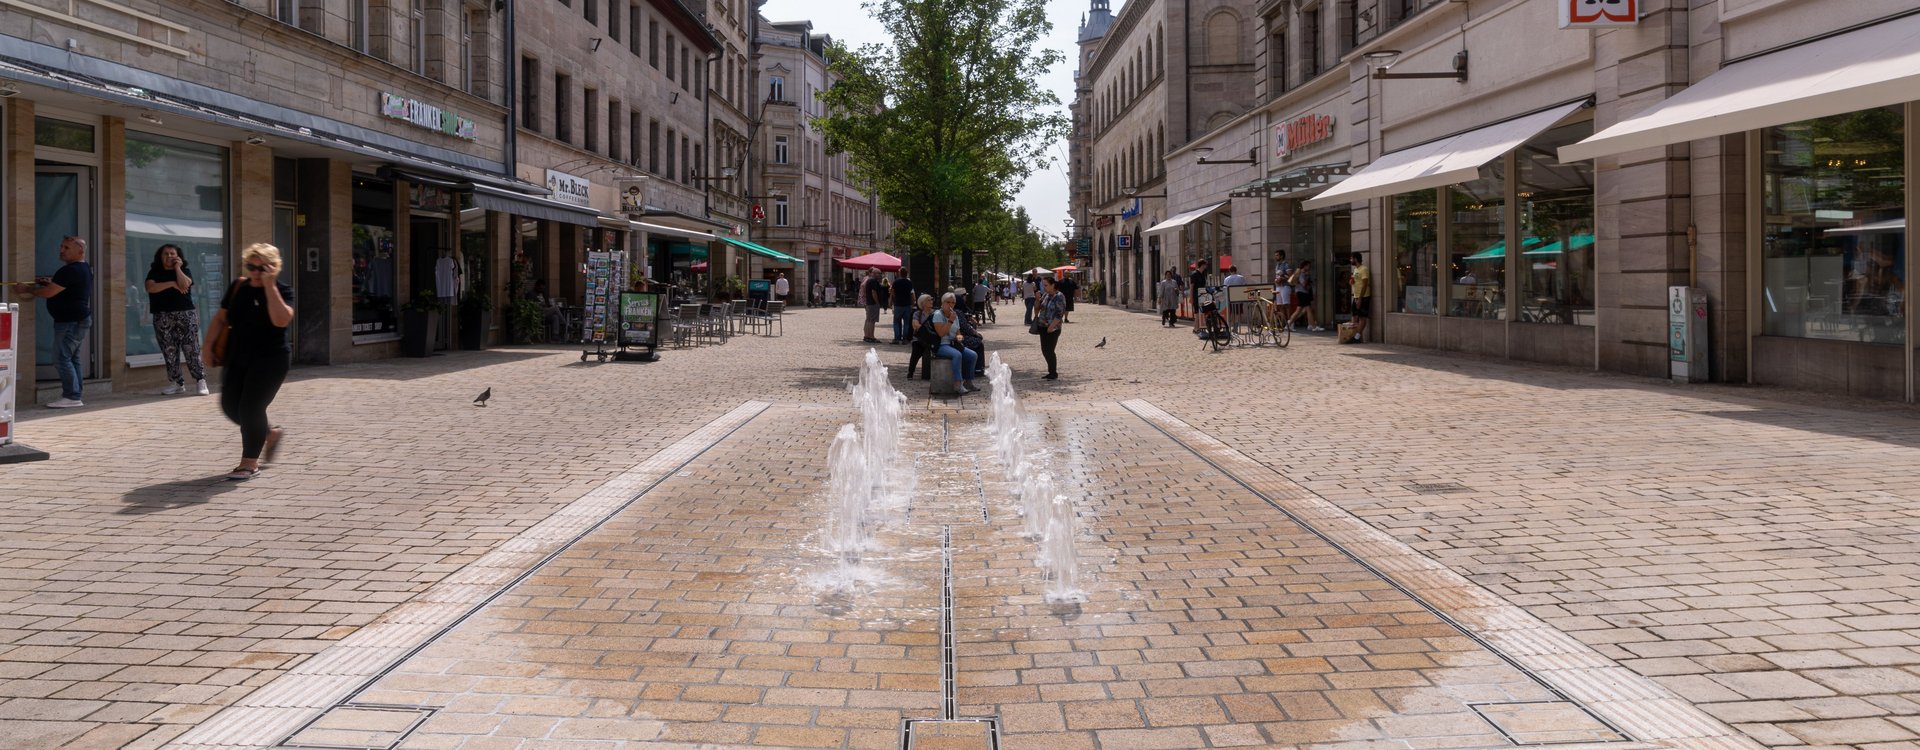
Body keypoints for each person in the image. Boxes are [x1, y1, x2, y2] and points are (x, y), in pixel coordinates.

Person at [206, 243, 295, 481]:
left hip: (270, 359)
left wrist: (269, 285)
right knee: (230, 406)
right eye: (251, 266)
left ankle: (249, 463)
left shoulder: (282, 290)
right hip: (237, 356)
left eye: (261, 267)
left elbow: (281, 320)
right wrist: (206, 348)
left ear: (274, 267)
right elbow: (220, 318)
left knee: (251, 407)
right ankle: (269, 433)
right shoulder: (238, 287)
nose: (255, 272)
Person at [15, 236, 92, 408]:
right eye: (61, 247)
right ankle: (75, 394)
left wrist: (27, 289)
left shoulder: (70, 270)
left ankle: (72, 397)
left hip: (70, 322)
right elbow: (64, 288)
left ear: (80, 251)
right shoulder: (83, 267)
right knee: (72, 358)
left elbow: (50, 293)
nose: (62, 250)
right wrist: (48, 283)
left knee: (61, 358)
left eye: (66, 248)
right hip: (78, 320)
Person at [145, 244, 210, 396]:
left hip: (185, 314)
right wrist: (172, 284)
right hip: (162, 315)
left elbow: (185, 283)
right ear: (160, 257)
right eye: (165, 254)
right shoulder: (154, 272)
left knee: (191, 348)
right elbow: (150, 287)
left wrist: (177, 269)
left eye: (172, 253)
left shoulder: (184, 271)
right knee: (169, 350)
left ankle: (200, 380)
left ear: (178, 256)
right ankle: (177, 382)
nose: (169, 256)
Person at [931, 293, 979, 392]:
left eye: (953, 303)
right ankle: (958, 383)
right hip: (941, 344)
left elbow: (958, 332)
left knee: (972, 355)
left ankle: (968, 381)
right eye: (948, 302)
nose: (950, 305)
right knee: (957, 355)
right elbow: (941, 333)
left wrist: (960, 339)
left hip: (953, 344)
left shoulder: (954, 315)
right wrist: (950, 321)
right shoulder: (938, 315)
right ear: (942, 303)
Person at [1035, 276, 1065, 380]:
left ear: (1053, 285)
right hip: (1042, 326)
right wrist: (1037, 300)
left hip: (1054, 328)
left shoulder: (1059, 296)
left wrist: (1052, 326)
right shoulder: (1045, 296)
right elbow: (1037, 310)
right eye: (1043, 285)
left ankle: (1053, 373)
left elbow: (1060, 313)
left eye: (1046, 285)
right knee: (1044, 350)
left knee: (1049, 350)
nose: (1044, 287)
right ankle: (1050, 372)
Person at [907, 294, 938, 380]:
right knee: (916, 351)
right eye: (929, 300)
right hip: (920, 338)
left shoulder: (936, 313)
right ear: (923, 303)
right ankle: (911, 372)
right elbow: (915, 325)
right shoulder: (918, 313)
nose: (931, 301)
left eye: (932, 299)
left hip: (932, 338)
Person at [1287, 260, 1323, 332]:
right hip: (1302, 293)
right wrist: (1307, 277)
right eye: (1308, 266)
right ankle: (1313, 326)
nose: (1309, 267)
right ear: (1305, 266)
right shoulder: (1302, 273)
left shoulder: (1300, 272)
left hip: (1301, 293)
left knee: (1299, 310)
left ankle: (1289, 324)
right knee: (1308, 309)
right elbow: (1303, 284)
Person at [1346, 252, 1371, 344]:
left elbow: (1365, 284)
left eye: (1351, 258)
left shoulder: (1364, 269)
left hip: (1363, 296)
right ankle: (1353, 335)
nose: (1350, 260)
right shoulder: (1356, 269)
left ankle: (1357, 336)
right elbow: (1355, 280)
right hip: (1355, 296)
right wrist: (1351, 281)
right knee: (1354, 316)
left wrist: (1360, 298)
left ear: (1356, 259)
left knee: (1362, 317)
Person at [890, 271, 916, 344]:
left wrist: (891, 301)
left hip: (898, 304)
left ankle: (897, 339)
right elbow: (912, 293)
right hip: (907, 304)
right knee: (906, 323)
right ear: (906, 274)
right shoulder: (909, 283)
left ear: (899, 273)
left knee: (896, 322)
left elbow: (892, 292)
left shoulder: (896, 282)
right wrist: (913, 303)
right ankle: (905, 339)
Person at [860, 268, 885, 343]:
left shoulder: (869, 280)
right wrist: (877, 302)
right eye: (879, 273)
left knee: (868, 320)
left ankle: (867, 336)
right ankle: (871, 336)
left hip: (869, 302)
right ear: (874, 273)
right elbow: (874, 292)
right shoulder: (873, 281)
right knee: (872, 321)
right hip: (873, 303)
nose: (880, 275)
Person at [1188, 263, 1209, 332]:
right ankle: (1196, 328)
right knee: (1197, 312)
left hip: (1203, 295)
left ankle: (1198, 327)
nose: (1206, 266)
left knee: (1202, 311)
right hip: (1196, 295)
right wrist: (1191, 297)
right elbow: (1191, 287)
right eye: (1205, 265)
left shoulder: (1203, 274)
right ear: (1202, 265)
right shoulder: (1194, 274)